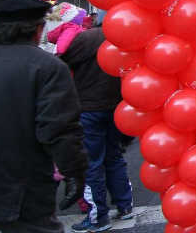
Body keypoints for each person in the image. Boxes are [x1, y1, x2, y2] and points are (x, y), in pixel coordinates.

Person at [0, 0, 87, 233]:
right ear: (39, 30)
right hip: (24, 187)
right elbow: (59, 130)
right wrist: (75, 173)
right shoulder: (48, 67)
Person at [61, 18, 134, 232]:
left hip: (89, 108)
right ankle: (125, 205)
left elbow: (65, 61)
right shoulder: (123, 40)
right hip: (115, 107)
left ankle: (98, 216)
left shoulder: (85, 38)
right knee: (114, 157)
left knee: (92, 162)